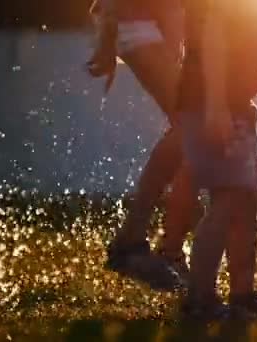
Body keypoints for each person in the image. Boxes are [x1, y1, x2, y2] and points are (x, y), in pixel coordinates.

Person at [175, 0, 257, 319]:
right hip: (216, 104)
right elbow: (212, 35)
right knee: (228, 198)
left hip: (231, 104)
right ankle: (200, 299)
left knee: (244, 199)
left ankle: (242, 295)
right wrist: (216, 105)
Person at [86, 0, 197, 291]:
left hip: (158, 22)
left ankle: (168, 249)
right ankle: (134, 242)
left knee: (191, 136)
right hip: (142, 23)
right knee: (191, 127)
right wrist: (109, 29)